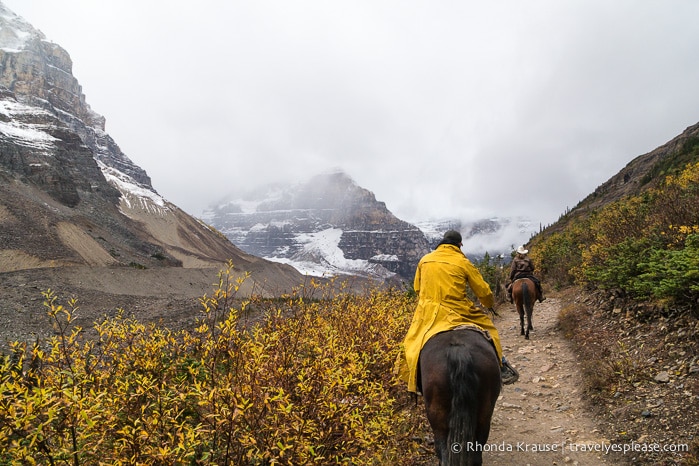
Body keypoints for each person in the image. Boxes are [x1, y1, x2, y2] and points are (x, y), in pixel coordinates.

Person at [396, 230, 519, 394]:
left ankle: (409, 376)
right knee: (490, 330)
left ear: (442, 242)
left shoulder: (425, 260)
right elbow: (483, 292)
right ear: (459, 244)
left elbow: (417, 288)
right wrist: (488, 304)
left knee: (412, 342)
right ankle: (501, 365)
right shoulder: (463, 262)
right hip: (459, 310)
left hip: (428, 312)